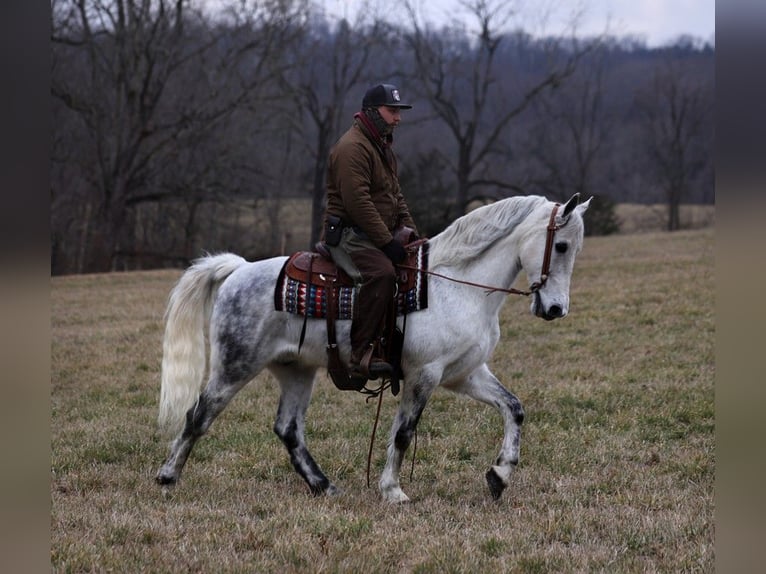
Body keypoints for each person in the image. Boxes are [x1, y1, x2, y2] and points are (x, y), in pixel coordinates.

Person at [322, 83, 419, 380]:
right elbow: (358, 203)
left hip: (373, 235)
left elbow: (396, 196)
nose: (397, 119)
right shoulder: (352, 148)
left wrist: (412, 233)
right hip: (351, 236)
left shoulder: (382, 146)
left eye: (399, 112)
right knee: (382, 274)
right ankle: (359, 353)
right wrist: (387, 242)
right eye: (392, 112)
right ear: (372, 112)